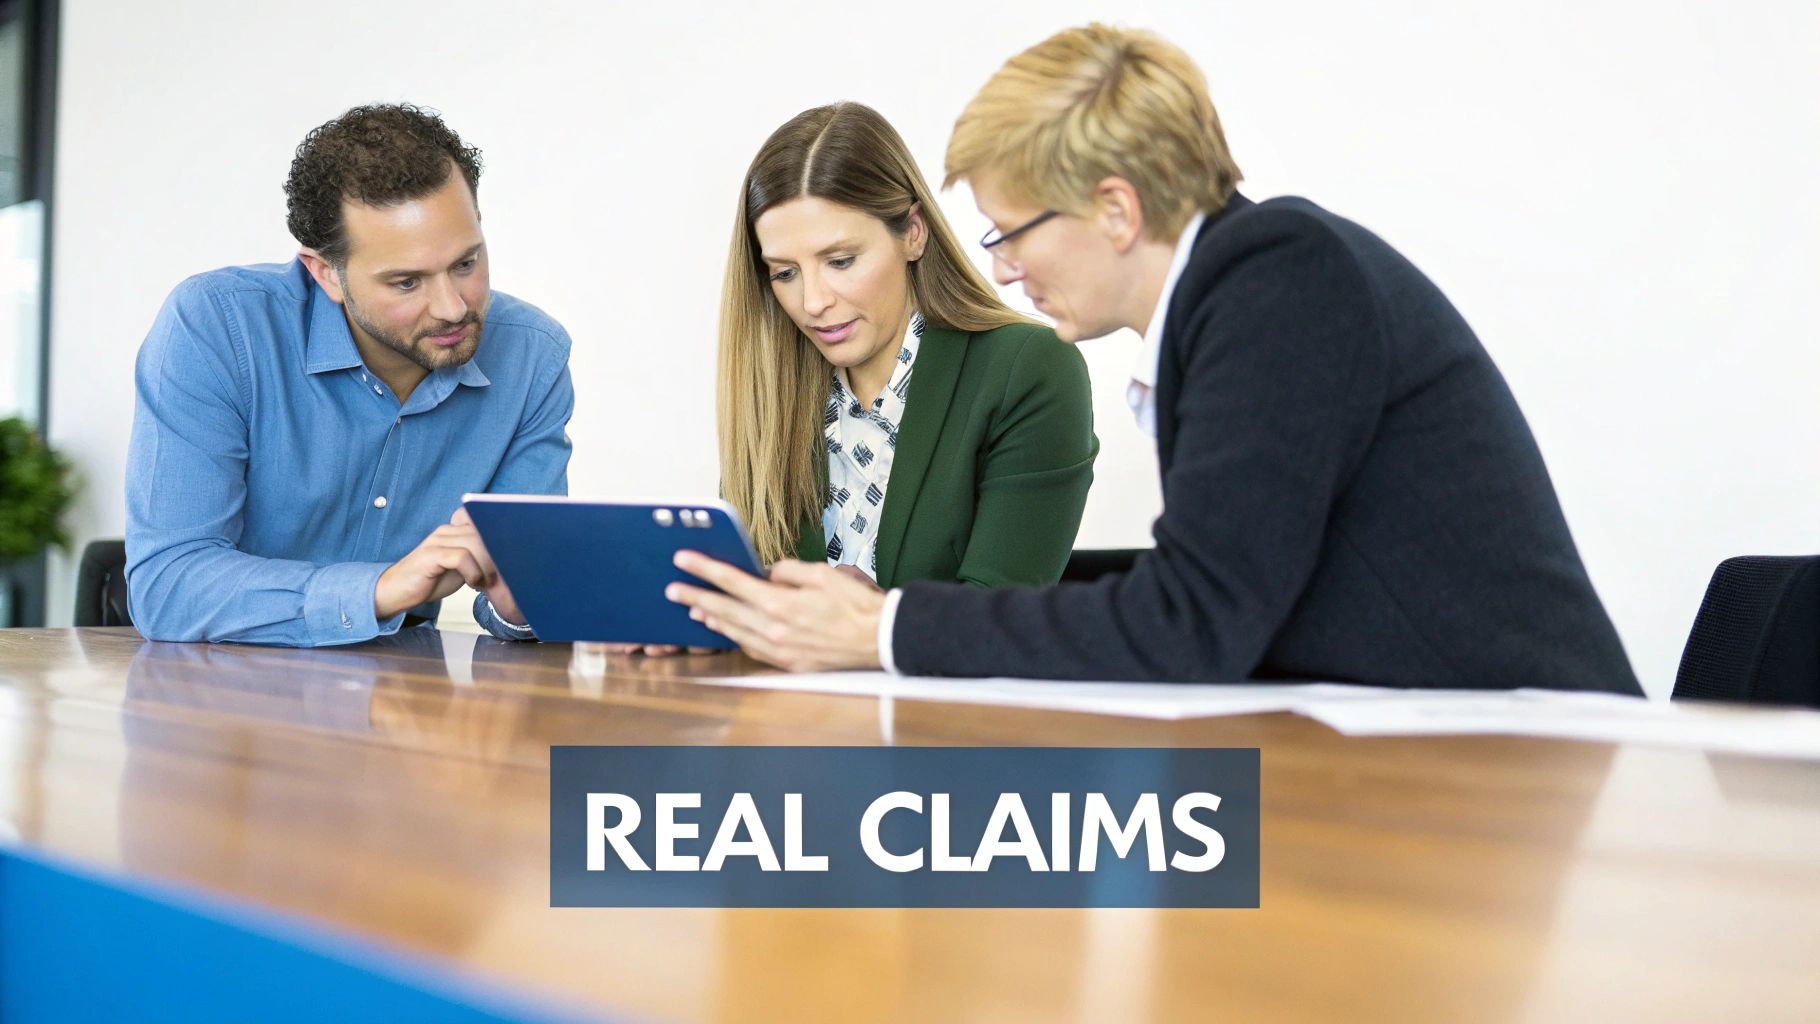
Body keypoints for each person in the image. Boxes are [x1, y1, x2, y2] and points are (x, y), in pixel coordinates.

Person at [667, 25, 1642, 694]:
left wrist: (882, 628)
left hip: (1528, 750)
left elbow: (1191, 621)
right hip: (1437, 737)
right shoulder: (1242, 291)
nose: (1002, 268)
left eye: (1013, 232)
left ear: (1115, 209)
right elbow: (1208, 583)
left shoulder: (1280, 279)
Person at [621, 102, 1099, 659]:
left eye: (841, 261)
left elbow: (1002, 622)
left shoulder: (1028, 368)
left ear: (913, 233)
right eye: (785, 272)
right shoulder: (773, 390)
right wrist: (703, 620)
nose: (813, 302)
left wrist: (875, 620)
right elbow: (757, 603)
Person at [126, 103, 571, 646]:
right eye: (407, 282)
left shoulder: (533, 355)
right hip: (223, 683)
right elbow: (168, 585)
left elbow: (521, 599)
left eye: (466, 263)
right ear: (325, 274)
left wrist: (526, 604)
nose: (453, 307)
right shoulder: (217, 326)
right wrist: (378, 590)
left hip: (405, 685)